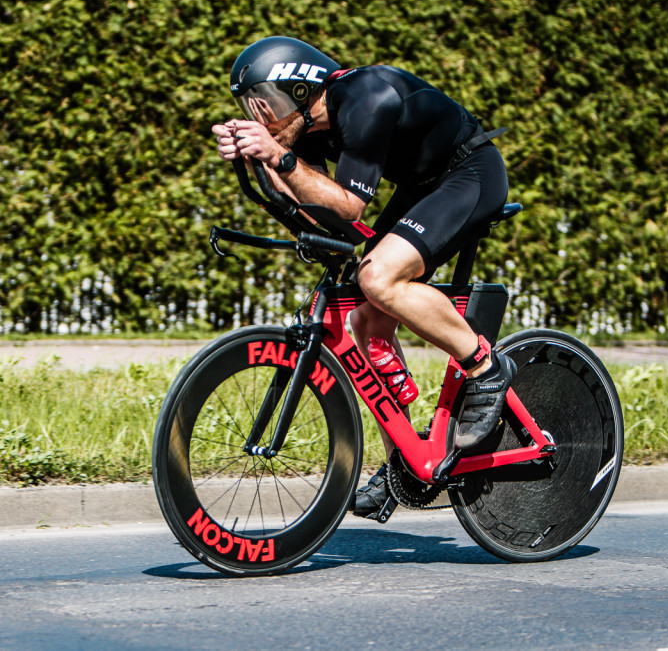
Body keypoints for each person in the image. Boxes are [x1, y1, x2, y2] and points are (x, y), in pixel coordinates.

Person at [212, 36, 517, 519]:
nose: (261, 117)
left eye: (266, 103)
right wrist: (260, 162)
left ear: (300, 89)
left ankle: (485, 367)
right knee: (365, 320)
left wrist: (279, 158)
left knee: (379, 278)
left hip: (470, 173)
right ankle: (406, 461)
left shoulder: (365, 95)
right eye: (250, 108)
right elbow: (320, 218)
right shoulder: (304, 131)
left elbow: (351, 207)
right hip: (422, 187)